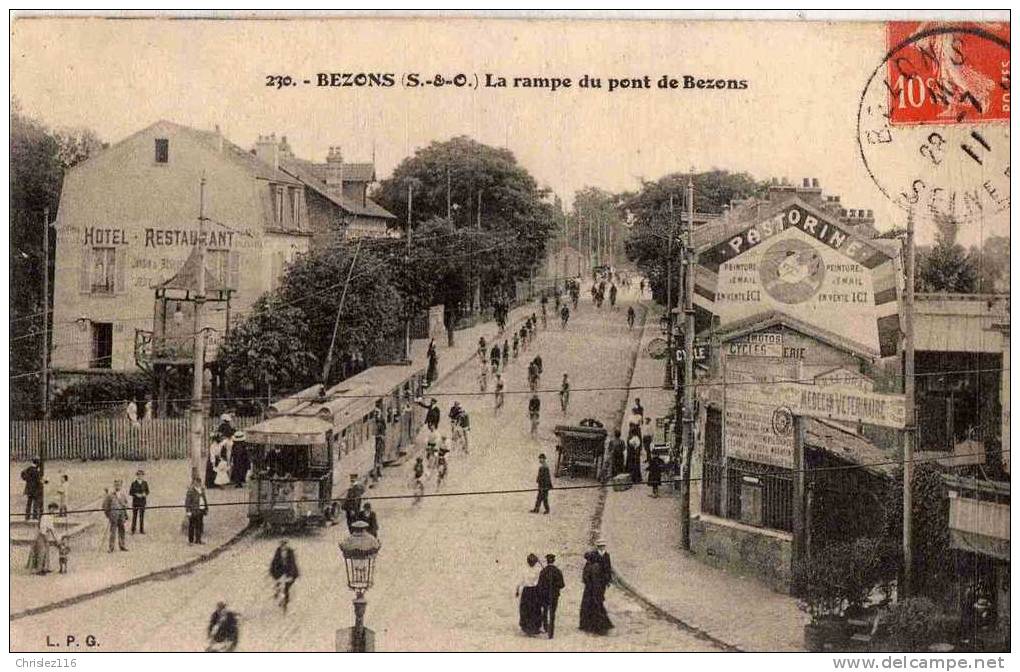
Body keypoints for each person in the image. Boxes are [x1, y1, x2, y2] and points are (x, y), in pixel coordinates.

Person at [579, 551, 613, 635]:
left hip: (591, 590)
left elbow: (587, 578)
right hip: (594, 589)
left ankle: (595, 626)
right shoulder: (594, 566)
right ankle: (597, 625)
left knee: (592, 607)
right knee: (596, 607)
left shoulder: (592, 566)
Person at [26, 502, 60, 574]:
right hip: (41, 535)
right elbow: (42, 528)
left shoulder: (51, 517)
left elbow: (52, 529)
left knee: (47, 551)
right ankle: (39, 570)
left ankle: (45, 568)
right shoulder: (44, 516)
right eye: (54, 509)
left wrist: (57, 539)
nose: (54, 511)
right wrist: (45, 538)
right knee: (41, 551)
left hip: (46, 534)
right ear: (50, 508)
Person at [515, 553, 544, 636]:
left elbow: (520, 581)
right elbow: (540, 580)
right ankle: (534, 627)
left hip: (527, 591)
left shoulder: (525, 570)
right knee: (534, 609)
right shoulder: (537, 570)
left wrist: (517, 590)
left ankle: (527, 628)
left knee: (526, 609)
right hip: (534, 591)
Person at [538, 554, 565, 638]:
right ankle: (551, 632)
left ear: (547, 561)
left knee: (545, 611)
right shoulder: (558, 571)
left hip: (545, 595)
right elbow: (562, 585)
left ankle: (546, 627)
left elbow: (540, 585)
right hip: (554, 595)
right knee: (552, 613)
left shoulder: (543, 571)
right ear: (554, 561)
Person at [269, 540, 299, 613]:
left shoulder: (290, 553)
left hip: (289, 573)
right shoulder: (278, 552)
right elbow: (274, 563)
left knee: (287, 589)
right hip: (279, 573)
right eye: (282, 546)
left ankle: (286, 603)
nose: (283, 547)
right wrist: (274, 574)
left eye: (285, 546)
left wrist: (291, 575)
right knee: (279, 585)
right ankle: (278, 593)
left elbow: (292, 565)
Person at [103, 480, 129, 553]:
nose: (117, 486)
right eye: (116, 485)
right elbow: (105, 506)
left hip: (121, 515)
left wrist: (125, 507)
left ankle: (122, 546)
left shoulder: (123, 495)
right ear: (114, 485)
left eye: (119, 485)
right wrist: (108, 515)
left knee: (122, 531)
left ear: (121, 486)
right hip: (113, 516)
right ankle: (111, 547)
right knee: (113, 532)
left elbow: (126, 504)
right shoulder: (110, 495)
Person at [185, 478, 208, 545]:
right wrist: (188, 511)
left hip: (201, 510)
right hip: (193, 511)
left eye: (199, 483)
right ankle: (190, 541)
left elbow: (204, 500)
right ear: (194, 483)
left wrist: (206, 508)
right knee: (192, 526)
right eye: (196, 483)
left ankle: (198, 540)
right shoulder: (191, 491)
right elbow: (187, 502)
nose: (198, 484)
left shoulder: (202, 490)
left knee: (199, 525)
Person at [129, 469, 149, 535]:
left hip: (142, 502)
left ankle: (141, 530)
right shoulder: (133, 483)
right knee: (134, 516)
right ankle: (133, 530)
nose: (140, 476)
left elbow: (147, 491)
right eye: (139, 475)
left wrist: (144, 494)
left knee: (142, 516)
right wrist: (136, 494)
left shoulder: (145, 483)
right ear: (137, 475)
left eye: (141, 475)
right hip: (136, 502)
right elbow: (130, 492)